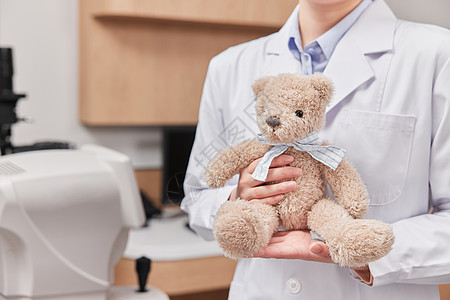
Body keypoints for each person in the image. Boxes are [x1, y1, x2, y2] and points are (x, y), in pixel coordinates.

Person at [181, 0, 450, 298]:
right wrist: (237, 197)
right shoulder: (229, 67)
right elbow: (197, 198)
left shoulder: (437, 55)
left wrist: (366, 252)